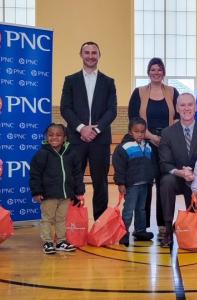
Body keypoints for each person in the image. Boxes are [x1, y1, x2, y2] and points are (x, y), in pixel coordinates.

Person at [60, 41, 117, 221]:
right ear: (81, 55)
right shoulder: (70, 80)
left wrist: (96, 129)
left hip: (100, 140)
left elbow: (112, 110)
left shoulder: (108, 82)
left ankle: (100, 224)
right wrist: (82, 128)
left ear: (99, 56)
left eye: (94, 53)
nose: (91, 56)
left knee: (100, 183)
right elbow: (65, 108)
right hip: (77, 139)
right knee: (74, 180)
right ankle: (74, 223)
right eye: (87, 52)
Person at [128, 57, 179, 240]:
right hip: (145, 144)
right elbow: (133, 119)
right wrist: (150, 136)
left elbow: (178, 117)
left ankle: (164, 225)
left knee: (164, 184)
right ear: (148, 72)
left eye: (159, 70)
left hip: (166, 144)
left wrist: (164, 138)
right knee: (145, 185)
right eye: (152, 70)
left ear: (163, 72)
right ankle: (142, 227)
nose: (156, 73)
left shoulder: (173, 92)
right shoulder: (139, 92)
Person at [159, 93, 197, 247]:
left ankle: (193, 227)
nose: (186, 108)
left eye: (190, 104)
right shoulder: (167, 133)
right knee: (166, 181)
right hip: (178, 177)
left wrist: (195, 173)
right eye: (182, 105)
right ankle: (167, 228)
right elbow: (164, 163)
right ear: (177, 108)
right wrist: (180, 172)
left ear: (196, 107)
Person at [29, 123, 85, 254]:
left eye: (58, 135)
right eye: (51, 135)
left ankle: (61, 241)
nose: (54, 137)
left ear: (65, 138)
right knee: (47, 219)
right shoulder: (42, 154)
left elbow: (77, 173)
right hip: (48, 195)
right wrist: (36, 192)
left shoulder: (72, 154)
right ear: (46, 137)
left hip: (66, 195)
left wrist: (79, 191)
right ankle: (47, 242)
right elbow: (35, 174)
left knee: (62, 219)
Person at [112, 117, 156, 246]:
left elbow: (151, 164)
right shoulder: (124, 147)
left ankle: (140, 231)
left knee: (141, 209)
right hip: (131, 185)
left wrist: (151, 178)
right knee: (129, 209)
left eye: (142, 131)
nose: (140, 134)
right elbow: (119, 166)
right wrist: (120, 183)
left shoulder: (147, 146)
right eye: (137, 131)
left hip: (144, 184)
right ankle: (123, 232)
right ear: (130, 132)